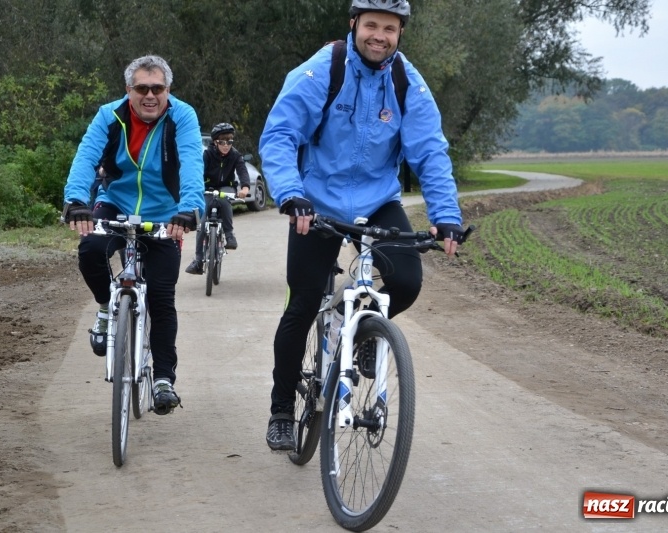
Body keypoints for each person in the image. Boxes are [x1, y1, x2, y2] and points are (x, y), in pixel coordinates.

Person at [259, 0, 466, 450]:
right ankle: (280, 409)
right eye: (371, 25)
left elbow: (430, 151)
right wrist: (291, 194)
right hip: (317, 203)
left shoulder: (406, 81)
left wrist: (446, 217)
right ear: (354, 25)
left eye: (390, 28)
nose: (380, 36)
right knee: (302, 303)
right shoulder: (322, 70)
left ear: (400, 34)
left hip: (377, 201)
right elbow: (279, 135)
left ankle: (366, 332)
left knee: (407, 282)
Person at [62, 54, 204, 415]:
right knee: (91, 249)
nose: (150, 95)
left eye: (158, 88)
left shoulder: (182, 116)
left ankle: (163, 380)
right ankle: (105, 310)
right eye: (142, 88)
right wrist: (76, 200)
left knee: (160, 294)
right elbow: (85, 156)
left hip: (165, 213)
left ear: (168, 91)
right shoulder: (108, 115)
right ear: (129, 91)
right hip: (115, 202)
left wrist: (188, 210)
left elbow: (191, 163)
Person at [185, 122, 250, 274]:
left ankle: (229, 235)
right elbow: (198, 172)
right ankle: (199, 260)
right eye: (222, 142)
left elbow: (242, 171)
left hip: (226, 187)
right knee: (202, 222)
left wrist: (245, 187)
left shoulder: (235, 155)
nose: (226, 145)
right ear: (215, 142)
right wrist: (196, 187)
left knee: (223, 200)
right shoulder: (207, 154)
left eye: (229, 142)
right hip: (208, 188)